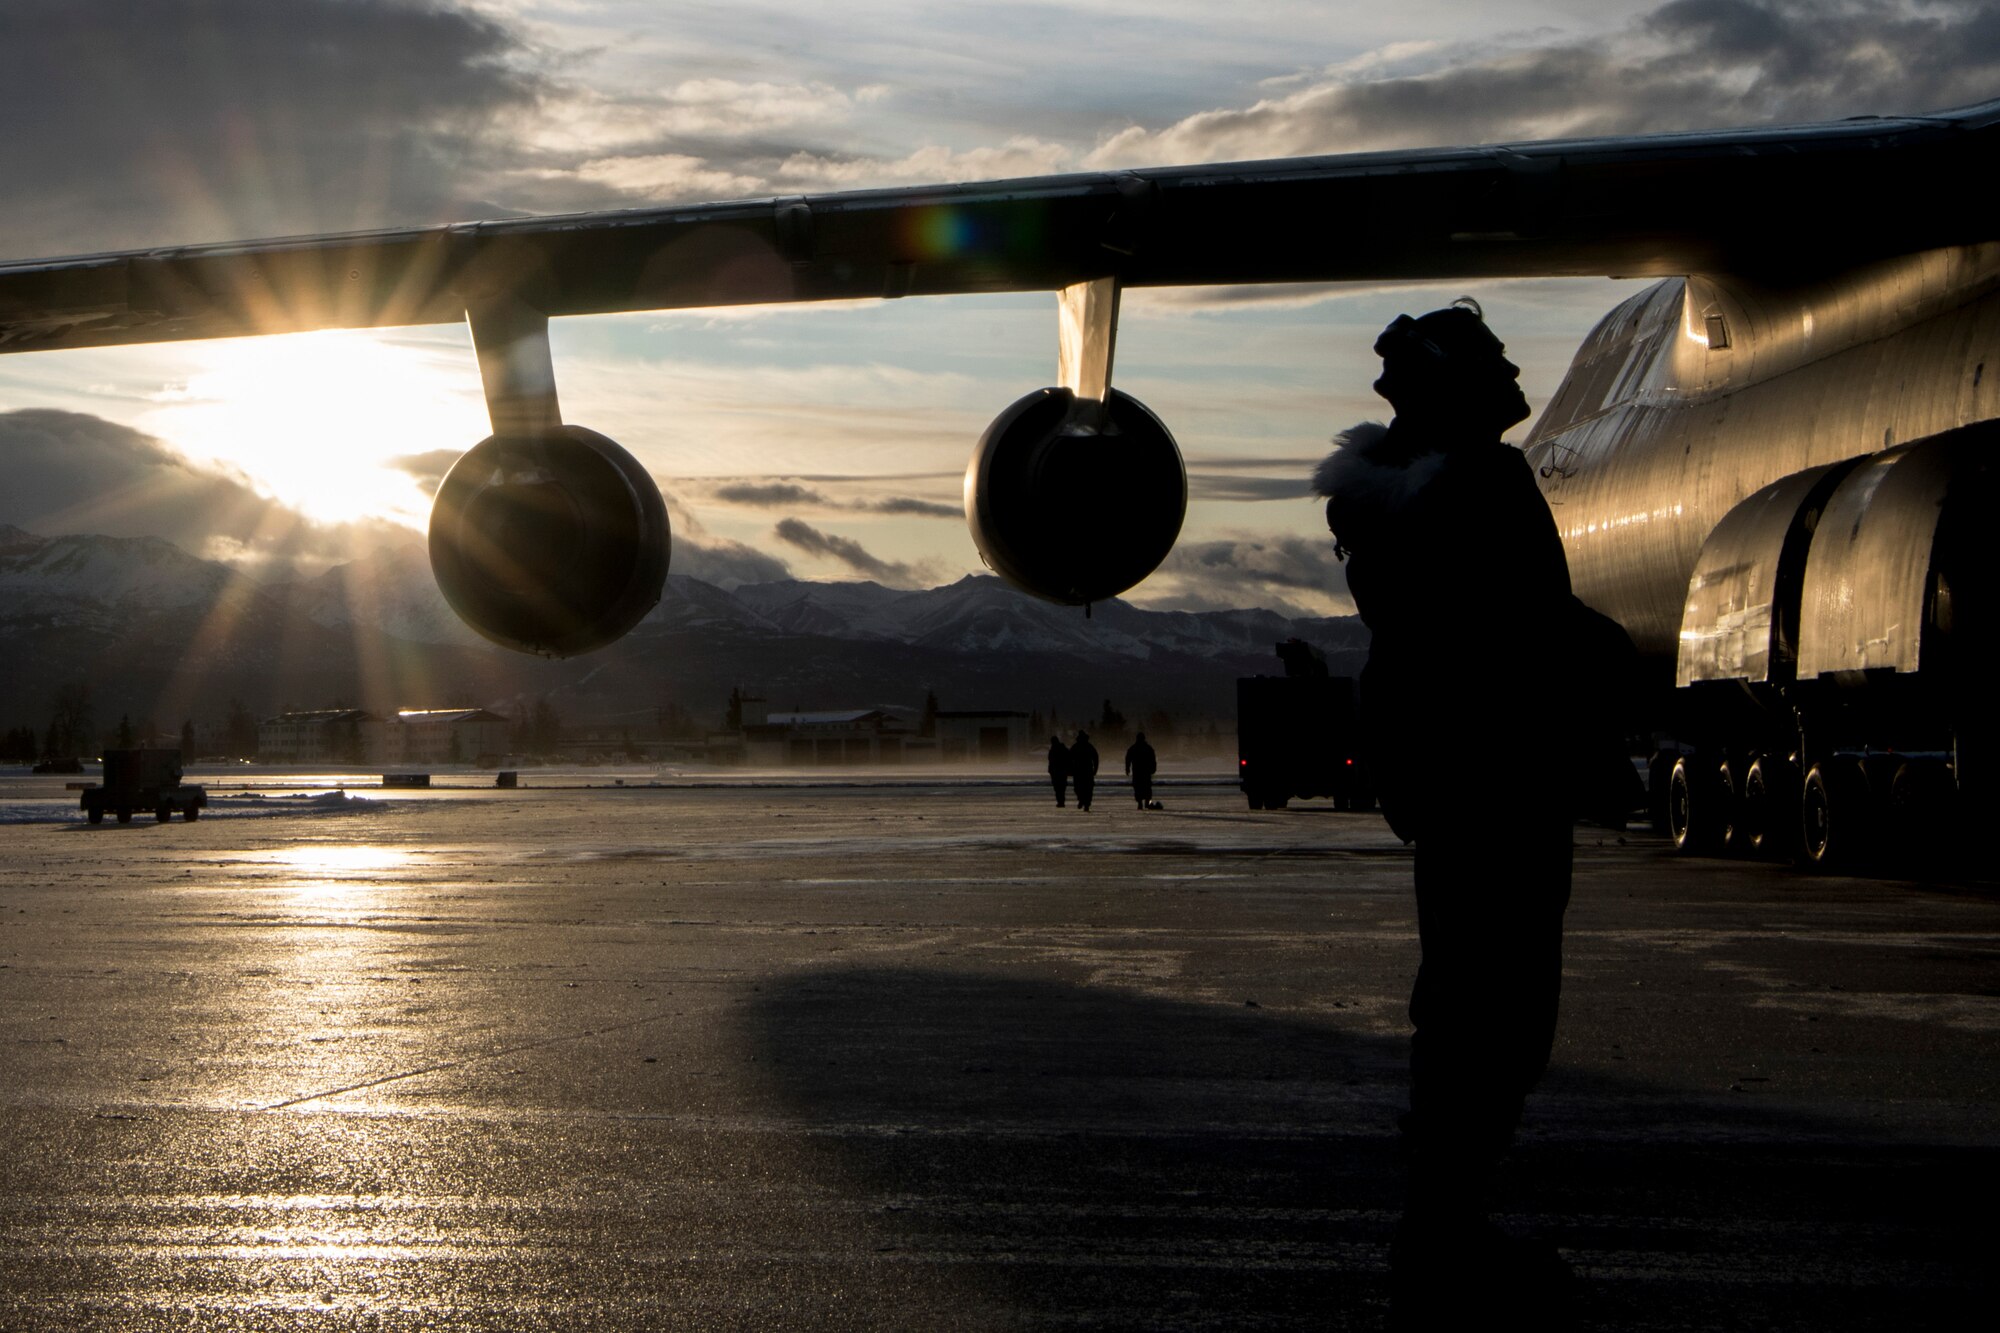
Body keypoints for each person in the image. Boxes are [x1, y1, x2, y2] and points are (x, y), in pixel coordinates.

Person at [1312, 299, 1578, 1325]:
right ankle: (1441, 1231)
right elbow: (1519, 638)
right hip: (1496, 787)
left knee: (1475, 1006)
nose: (1514, 375)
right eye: (1491, 364)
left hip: (1471, 788)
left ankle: (1443, 1220)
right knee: (1493, 1010)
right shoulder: (1473, 497)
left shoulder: (1418, 515)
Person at [1124, 731, 1157, 809]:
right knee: (1144, 787)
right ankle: (1144, 802)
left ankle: (1143, 802)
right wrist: (1127, 768)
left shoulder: (1135, 748)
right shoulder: (1147, 748)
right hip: (1142, 772)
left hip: (1141, 772)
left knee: (1141, 787)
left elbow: (1128, 759)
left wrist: (1127, 768)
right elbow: (1128, 759)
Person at [1069, 730, 1098, 811]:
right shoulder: (1088, 746)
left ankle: (1084, 802)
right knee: (1086, 789)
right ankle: (1084, 802)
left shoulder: (1077, 746)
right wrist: (1095, 769)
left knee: (1081, 788)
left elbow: (1069, 759)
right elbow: (1096, 759)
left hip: (1081, 771)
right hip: (1084, 771)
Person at [1047, 735, 1071, 807]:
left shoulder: (1054, 749)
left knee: (1058, 787)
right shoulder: (1062, 748)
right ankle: (1061, 801)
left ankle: (1061, 801)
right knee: (1060, 787)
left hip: (1058, 771)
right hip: (1060, 771)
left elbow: (1051, 760)